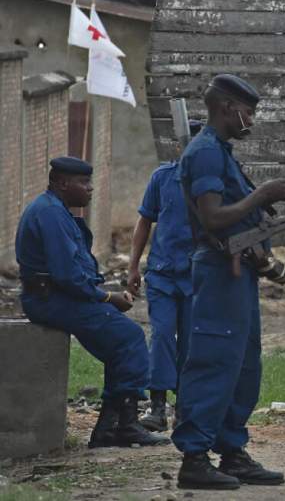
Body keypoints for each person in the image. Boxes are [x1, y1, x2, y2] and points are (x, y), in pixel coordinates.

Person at [173, 74, 285, 490]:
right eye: (249, 112)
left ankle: (231, 449)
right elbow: (213, 217)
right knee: (214, 362)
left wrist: (274, 201)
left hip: (239, 274)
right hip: (218, 274)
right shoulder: (205, 154)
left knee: (244, 367)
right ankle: (194, 459)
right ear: (229, 107)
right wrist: (262, 195)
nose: (251, 119)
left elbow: (237, 213)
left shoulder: (222, 153)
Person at [16, 157, 169, 449]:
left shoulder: (57, 210)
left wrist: (105, 296)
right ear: (62, 183)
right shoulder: (49, 214)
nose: (90, 189)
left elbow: (76, 272)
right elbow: (66, 275)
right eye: (84, 183)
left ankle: (110, 429)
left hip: (57, 297)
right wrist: (107, 298)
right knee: (129, 338)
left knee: (120, 342)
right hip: (50, 300)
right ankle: (122, 426)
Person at [127, 121, 202, 432]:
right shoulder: (162, 178)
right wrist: (133, 266)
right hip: (161, 273)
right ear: (178, 147)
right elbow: (144, 222)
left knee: (190, 341)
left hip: (197, 276)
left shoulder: (210, 184)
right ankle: (157, 405)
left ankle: (184, 407)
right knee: (161, 335)